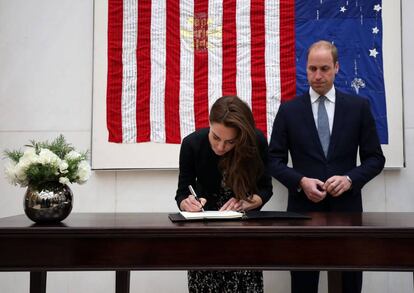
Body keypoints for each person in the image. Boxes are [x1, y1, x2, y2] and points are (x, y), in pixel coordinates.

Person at [268, 40, 385, 293]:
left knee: (348, 282)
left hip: (348, 212)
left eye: (324, 68)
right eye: (312, 69)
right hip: (302, 213)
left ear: (337, 68)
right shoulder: (288, 111)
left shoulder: (359, 107)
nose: (317, 76)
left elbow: (375, 159)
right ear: (305, 69)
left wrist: (350, 179)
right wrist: (300, 182)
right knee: (303, 284)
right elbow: (273, 161)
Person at [175, 95, 273, 292]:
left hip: (243, 231)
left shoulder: (257, 142)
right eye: (216, 137)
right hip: (204, 234)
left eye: (230, 142)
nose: (220, 147)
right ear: (209, 124)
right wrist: (187, 202)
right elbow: (182, 191)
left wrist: (253, 201)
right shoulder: (192, 144)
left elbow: (266, 188)